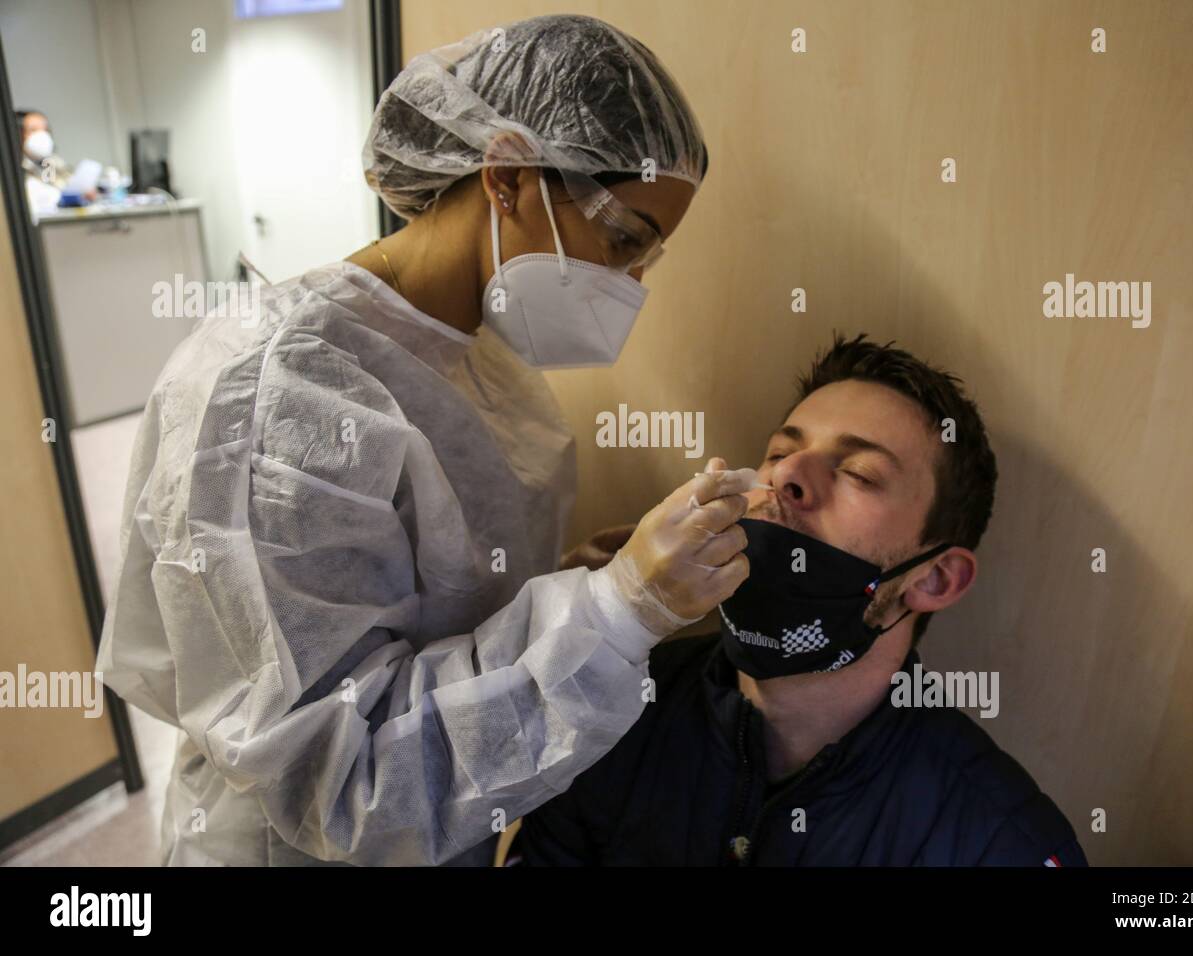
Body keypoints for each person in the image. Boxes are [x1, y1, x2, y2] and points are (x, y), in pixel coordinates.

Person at [96, 14, 750, 866]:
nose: (628, 284)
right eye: (623, 239)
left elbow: (430, 608)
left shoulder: (480, 359)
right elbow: (343, 777)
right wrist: (619, 614)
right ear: (509, 175)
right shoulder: (281, 396)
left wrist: (571, 587)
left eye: (647, 257)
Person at [511, 334, 1089, 866]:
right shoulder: (615, 708)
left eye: (860, 473)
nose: (788, 472)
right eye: (779, 451)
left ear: (934, 580)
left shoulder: (998, 839)